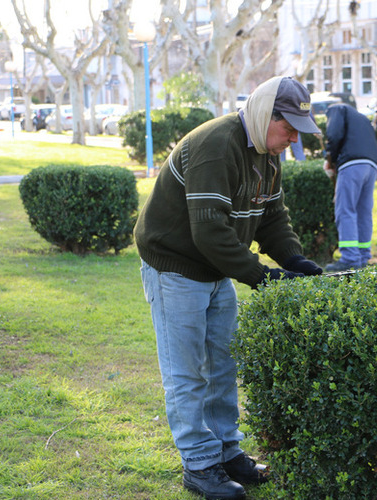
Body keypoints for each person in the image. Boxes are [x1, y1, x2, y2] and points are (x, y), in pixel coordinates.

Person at [134, 76, 324, 500]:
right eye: (289, 128)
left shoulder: (268, 154)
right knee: (186, 372)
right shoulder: (217, 145)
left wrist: (294, 260)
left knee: (223, 363)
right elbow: (210, 232)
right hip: (175, 266)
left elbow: (271, 217)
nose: (294, 139)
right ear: (264, 114)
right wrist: (264, 277)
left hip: (215, 267)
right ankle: (199, 465)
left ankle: (226, 451)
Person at [323, 104, 377, 272]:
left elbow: (334, 134)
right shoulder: (361, 118)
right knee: (363, 212)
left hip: (351, 164)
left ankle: (350, 258)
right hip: (371, 165)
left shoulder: (336, 109)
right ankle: (363, 256)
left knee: (345, 210)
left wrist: (330, 159)